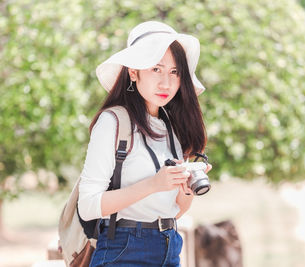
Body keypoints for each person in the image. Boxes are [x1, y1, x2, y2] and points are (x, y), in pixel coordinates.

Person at [77, 21, 211, 267]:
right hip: (124, 251)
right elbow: (88, 206)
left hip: (169, 246)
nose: (166, 83)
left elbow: (175, 211)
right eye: (156, 69)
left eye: (174, 72)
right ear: (133, 71)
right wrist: (153, 184)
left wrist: (187, 187)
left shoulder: (171, 126)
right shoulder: (113, 122)